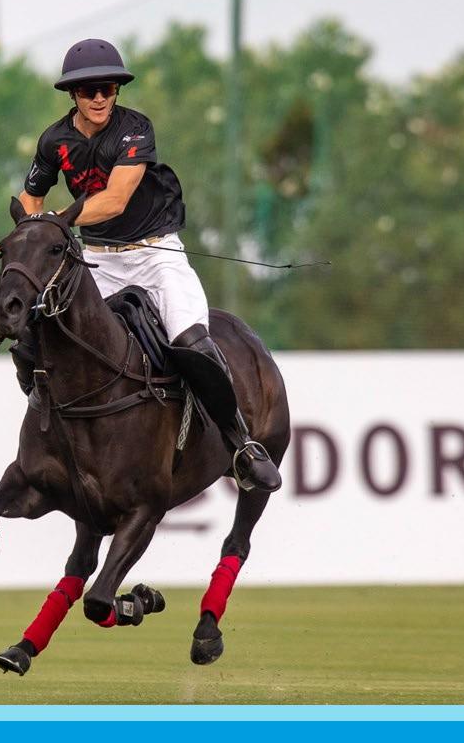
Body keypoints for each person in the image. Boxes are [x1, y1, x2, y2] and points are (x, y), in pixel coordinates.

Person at [16, 37, 281, 493]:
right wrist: (29, 232)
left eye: (108, 88)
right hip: (97, 260)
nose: (100, 97)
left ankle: (241, 444)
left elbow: (115, 200)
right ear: (73, 94)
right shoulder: (54, 140)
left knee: (193, 342)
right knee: (38, 336)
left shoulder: (134, 130)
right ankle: (56, 442)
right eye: (89, 90)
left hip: (154, 254)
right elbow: (30, 196)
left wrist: (56, 222)